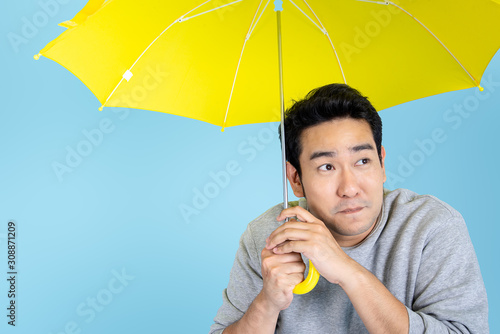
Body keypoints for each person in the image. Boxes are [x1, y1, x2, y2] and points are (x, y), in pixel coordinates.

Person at [209, 84, 488, 333]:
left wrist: (347, 271)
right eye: (326, 167)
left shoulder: (431, 226)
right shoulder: (268, 237)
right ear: (296, 179)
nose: (350, 188)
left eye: (363, 161)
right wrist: (267, 303)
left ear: (382, 163)